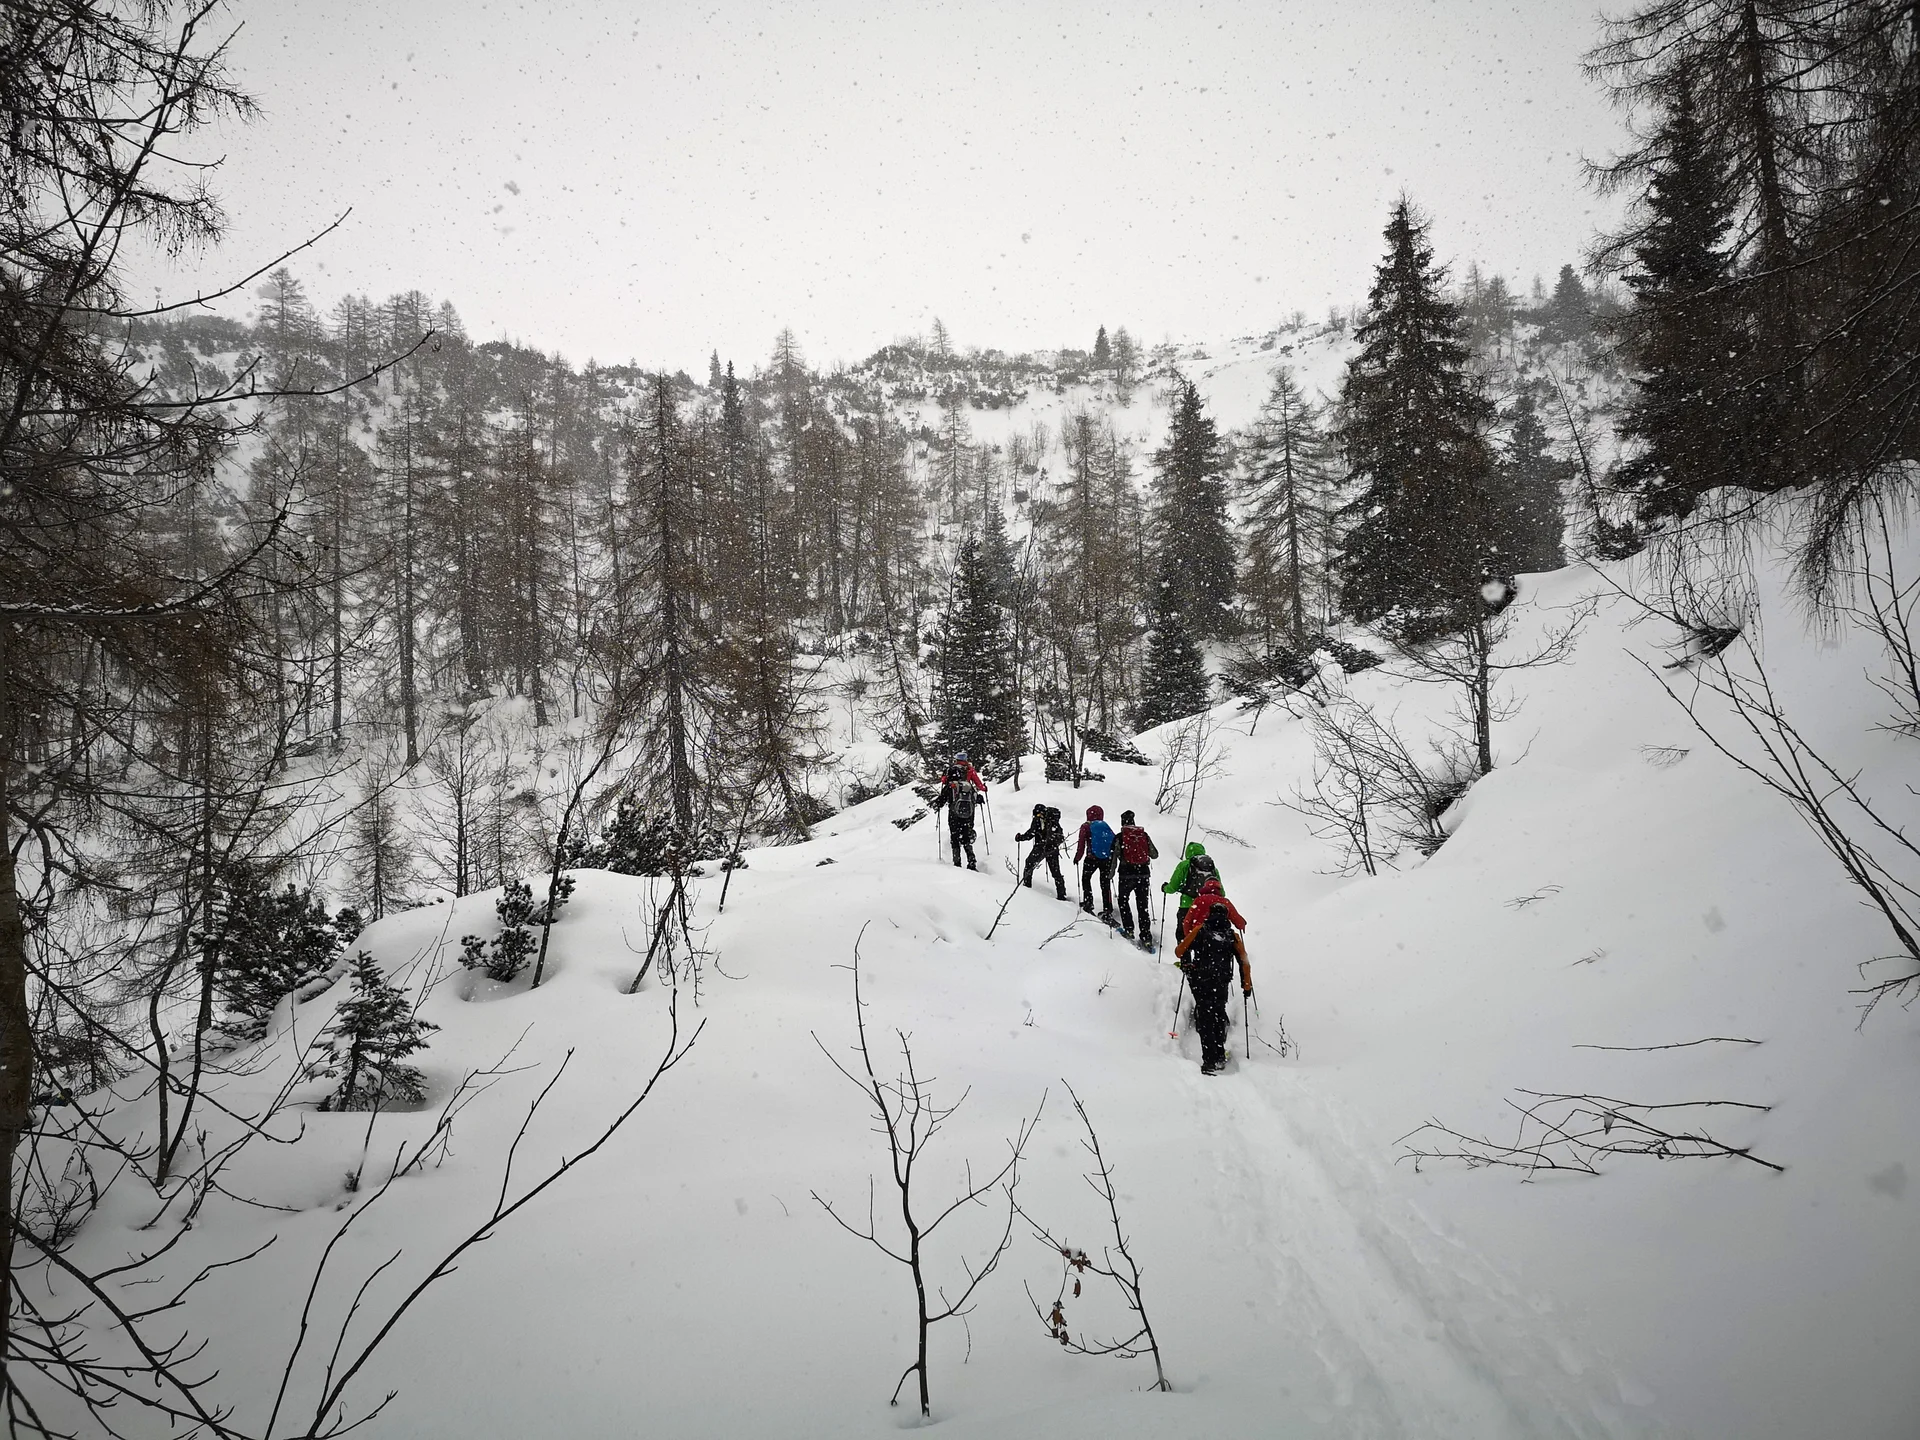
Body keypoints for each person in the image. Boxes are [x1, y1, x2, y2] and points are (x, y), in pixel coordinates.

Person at [1175, 904, 1253, 1076]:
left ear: (1209, 914)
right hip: (1221, 982)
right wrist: (1246, 985)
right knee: (1218, 1014)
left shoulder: (1201, 930)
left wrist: (1190, 961)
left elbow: (1180, 951)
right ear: (1226, 917)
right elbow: (1244, 961)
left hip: (1201, 980)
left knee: (1205, 1018)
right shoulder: (1231, 936)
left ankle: (1209, 1060)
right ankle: (1218, 1055)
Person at [930, 751, 986, 870]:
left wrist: (939, 803)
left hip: (954, 810)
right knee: (966, 835)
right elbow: (979, 785)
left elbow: (943, 781)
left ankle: (957, 864)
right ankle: (971, 862)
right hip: (968, 810)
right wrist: (984, 789)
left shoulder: (950, 774)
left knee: (954, 836)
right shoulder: (970, 770)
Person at [1113, 810, 1159, 944]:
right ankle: (1146, 935)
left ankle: (1129, 929)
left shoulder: (1120, 837)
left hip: (1126, 875)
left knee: (1123, 902)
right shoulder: (1143, 835)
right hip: (1143, 875)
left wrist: (1110, 874)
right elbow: (1155, 854)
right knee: (1142, 905)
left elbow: (1114, 857)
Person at [1160, 841, 1220, 937]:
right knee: (1203, 937)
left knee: (1183, 935)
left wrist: (1165, 888)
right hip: (1207, 909)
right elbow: (1221, 892)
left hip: (1187, 907)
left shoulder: (1185, 865)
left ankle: (1185, 951)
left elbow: (1173, 887)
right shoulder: (1212, 868)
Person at [1014, 802, 1068, 899]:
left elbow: (1031, 834)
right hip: (1053, 848)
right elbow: (1060, 836)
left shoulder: (1037, 819)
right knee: (1056, 872)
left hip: (1040, 847)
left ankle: (1026, 887)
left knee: (1029, 863)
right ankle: (1062, 894)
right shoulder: (1053, 820)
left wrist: (1020, 838)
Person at [1072, 804, 1117, 919]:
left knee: (1086, 879)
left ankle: (1088, 902)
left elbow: (1081, 844)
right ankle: (1108, 908)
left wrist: (1077, 857)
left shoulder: (1086, 826)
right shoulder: (1105, 826)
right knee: (1105, 883)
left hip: (1091, 858)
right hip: (1106, 858)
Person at [1178, 876, 1247, 942]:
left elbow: (1187, 921)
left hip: (1199, 936)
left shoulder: (1198, 900)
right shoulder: (1224, 901)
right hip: (1220, 937)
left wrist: (1189, 936)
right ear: (1219, 888)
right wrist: (1242, 923)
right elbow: (1237, 920)